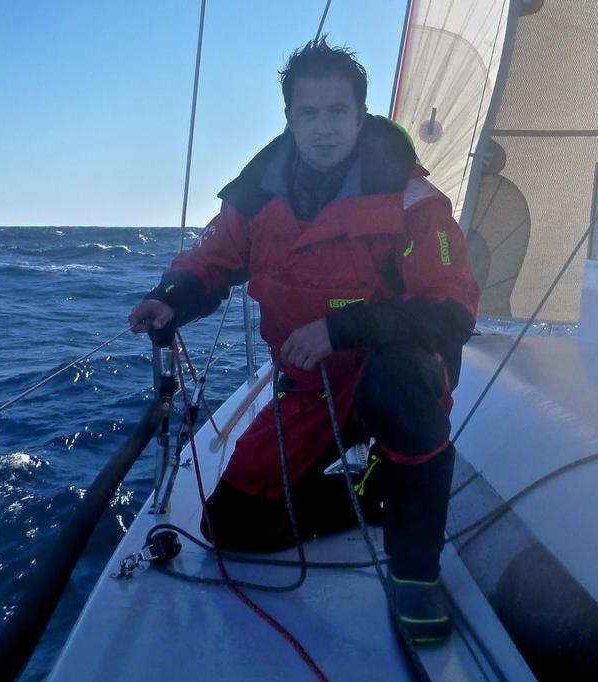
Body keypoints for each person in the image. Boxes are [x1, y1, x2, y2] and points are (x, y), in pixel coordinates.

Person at [128, 38, 479, 643]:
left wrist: (340, 329)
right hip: (313, 383)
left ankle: (416, 573)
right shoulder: (257, 197)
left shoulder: (414, 201)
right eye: (308, 114)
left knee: (397, 386)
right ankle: (379, 494)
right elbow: (212, 260)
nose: (323, 128)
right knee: (232, 524)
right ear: (288, 117)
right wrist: (172, 297)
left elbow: (450, 310)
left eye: (337, 112)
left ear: (361, 115)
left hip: (395, 373)